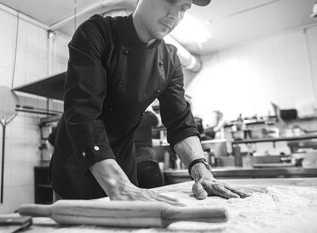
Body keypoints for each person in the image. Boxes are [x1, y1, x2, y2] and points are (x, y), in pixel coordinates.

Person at [50, 0, 250, 205]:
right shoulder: (96, 32)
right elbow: (83, 113)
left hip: (124, 171)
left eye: (183, 8)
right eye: (171, 0)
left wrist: (202, 171)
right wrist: (117, 184)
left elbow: (180, 124)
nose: (175, 15)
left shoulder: (170, 59)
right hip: (76, 170)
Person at [134, 105, 163, 188]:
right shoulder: (148, 115)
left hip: (129, 165)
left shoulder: (125, 118)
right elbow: (159, 122)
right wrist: (149, 109)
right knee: (156, 194)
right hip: (147, 161)